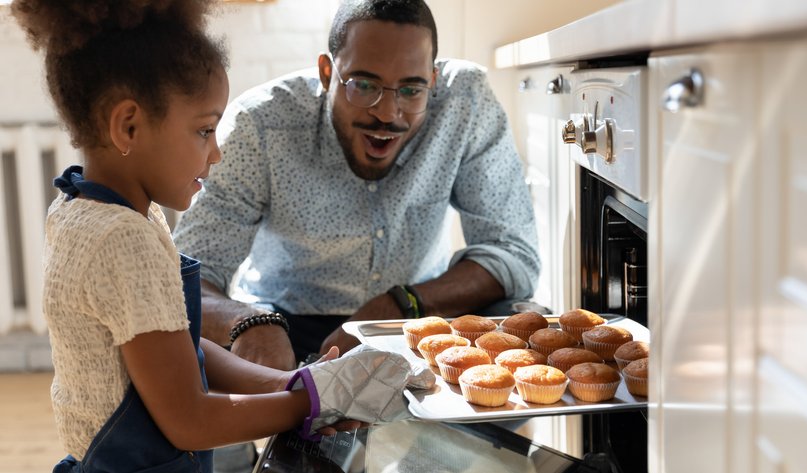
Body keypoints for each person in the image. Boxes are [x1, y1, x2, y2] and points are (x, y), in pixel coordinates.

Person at [11, 1, 428, 472]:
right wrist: (315, 400)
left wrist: (287, 384)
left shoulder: (87, 208)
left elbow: (177, 345)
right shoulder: (123, 240)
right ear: (128, 125)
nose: (216, 154)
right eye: (204, 130)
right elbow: (189, 420)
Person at [173, 0, 540, 369]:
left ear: (432, 79)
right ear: (327, 72)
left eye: (411, 90)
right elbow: (184, 276)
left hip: (417, 315)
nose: (387, 113)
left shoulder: (466, 101)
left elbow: (513, 253)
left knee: (524, 327)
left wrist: (396, 304)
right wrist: (247, 324)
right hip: (285, 324)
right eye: (364, 85)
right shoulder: (260, 124)